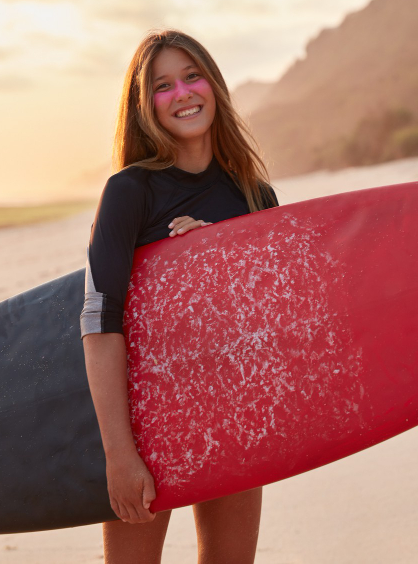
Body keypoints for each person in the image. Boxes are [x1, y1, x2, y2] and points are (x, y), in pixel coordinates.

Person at [80, 29, 278, 564]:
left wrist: (209, 261)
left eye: (193, 76)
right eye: (163, 85)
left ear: (214, 84)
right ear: (146, 106)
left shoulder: (255, 197)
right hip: (148, 423)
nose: (183, 93)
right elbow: (100, 324)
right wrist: (119, 455)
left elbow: (270, 313)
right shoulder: (129, 192)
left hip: (234, 413)